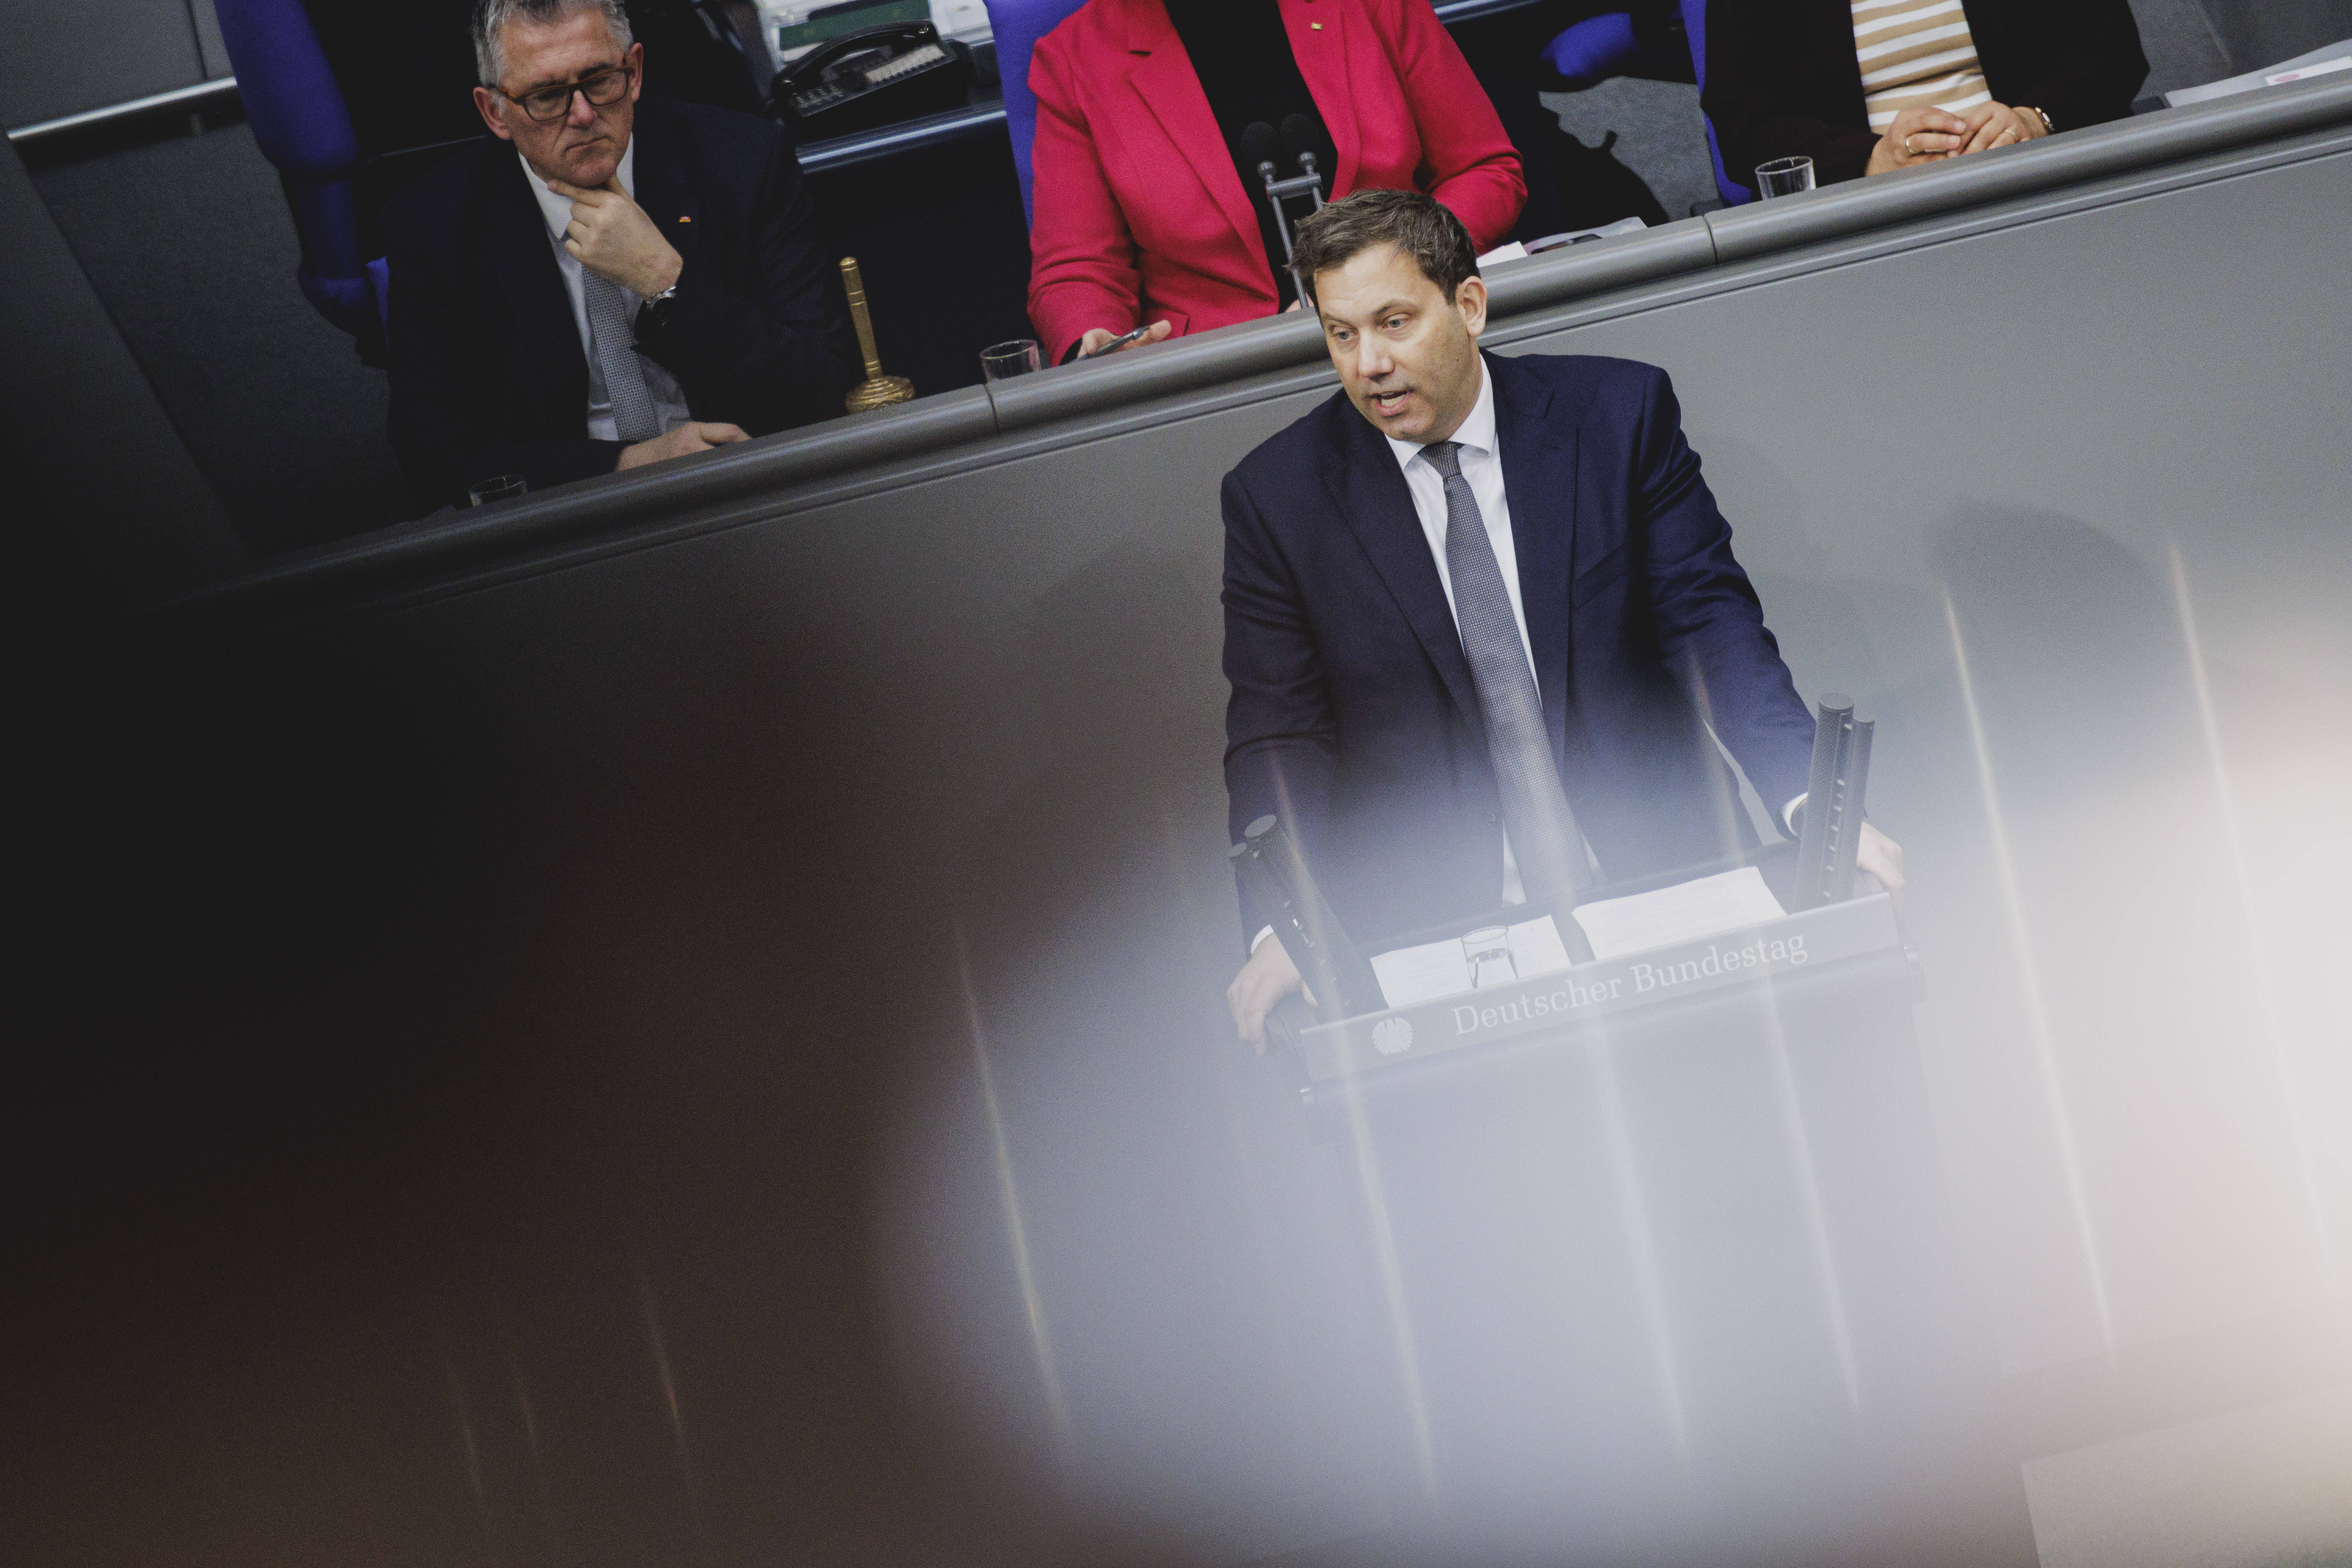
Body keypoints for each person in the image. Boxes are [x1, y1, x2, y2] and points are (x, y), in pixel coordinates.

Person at [1219, 189, 1902, 1045]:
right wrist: (1285, 920)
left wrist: (1814, 802)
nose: (1369, 364)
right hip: (1441, 927)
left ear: (1469, 304)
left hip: (1663, 875)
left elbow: (1711, 625)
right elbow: (1278, 733)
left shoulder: (1615, 418)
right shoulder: (1278, 499)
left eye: (1394, 322)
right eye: (1341, 334)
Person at [384, 0, 859, 509]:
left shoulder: (745, 163)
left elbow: (822, 390)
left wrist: (666, 281)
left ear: (633, 72)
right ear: (494, 111)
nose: (584, 114)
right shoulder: (434, 225)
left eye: (600, 79)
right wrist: (628, 464)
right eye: (547, 97)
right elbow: (435, 458)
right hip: (565, 519)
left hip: (745, 489)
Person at [1025, 0, 1527, 368]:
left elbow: (1483, 170)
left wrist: (1394, 267)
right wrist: (1099, 345)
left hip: (1406, 334)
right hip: (1224, 377)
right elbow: (1076, 270)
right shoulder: (1076, 60)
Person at [1704, 0, 2147, 187]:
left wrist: (2035, 118)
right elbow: (1743, 122)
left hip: (2040, 175)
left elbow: (2112, 47)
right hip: (1870, 221)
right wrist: (1869, 159)